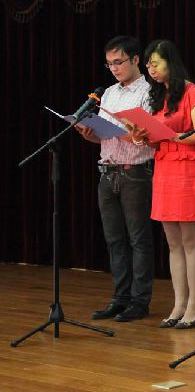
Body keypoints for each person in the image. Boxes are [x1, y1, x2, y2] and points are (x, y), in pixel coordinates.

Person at [129, 40, 195, 330]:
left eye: (155, 63)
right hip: (164, 168)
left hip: (188, 168)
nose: (151, 69)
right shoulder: (160, 95)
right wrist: (143, 136)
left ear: (170, 62)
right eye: (148, 65)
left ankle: (194, 305)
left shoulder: (192, 91)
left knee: (190, 240)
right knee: (173, 242)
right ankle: (178, 304)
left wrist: (170, 135)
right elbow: (157, 138)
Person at [76, 36, 155, 323]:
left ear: (135, 60)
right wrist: (91, 134)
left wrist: (121, 131)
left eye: (118, 62)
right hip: (107, 172)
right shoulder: (108, 93)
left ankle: (139, 301)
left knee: (139, 240)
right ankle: (119, 299)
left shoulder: (149, 91)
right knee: (114, 240)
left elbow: (147, 136)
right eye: (109, 64)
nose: (114, 68)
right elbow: (105, 136)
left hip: (136, 172)